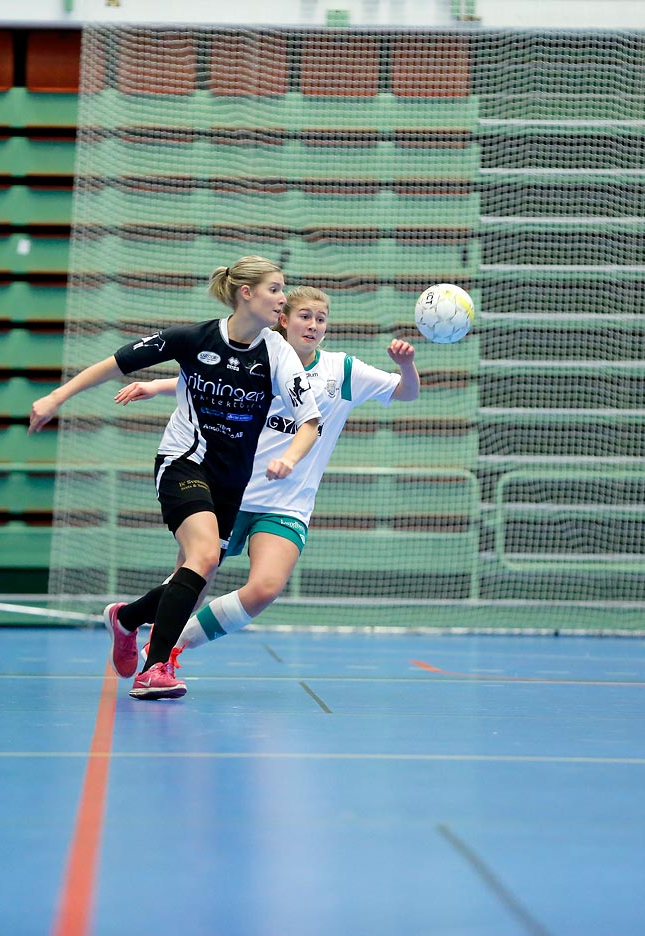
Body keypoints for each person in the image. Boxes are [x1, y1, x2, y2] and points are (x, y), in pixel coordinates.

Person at [29, 256, 320, 700]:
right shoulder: (194, 339)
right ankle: (154, 669)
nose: (283, 298)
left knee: (196, 573)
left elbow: (309, 422)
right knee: (202, 555)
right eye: (276, 289)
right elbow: (116, 363)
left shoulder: (277, 354)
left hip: (231, 481)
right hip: (184, 461)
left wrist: (292, 459)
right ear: (247, 293)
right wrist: (56, 397)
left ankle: (126, 618)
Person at [112, 285, 419, 665]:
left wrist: (405, 365)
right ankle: (128, 622)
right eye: (305, 316)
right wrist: (156, 387)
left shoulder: (341, 371)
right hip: (229, 491)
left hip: (287, 504)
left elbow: (406, 393)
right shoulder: (261, 359)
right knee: (190, 583)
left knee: (265, 588)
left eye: (321, 319)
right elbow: (210, 383)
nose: (313, 325)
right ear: (284, 320)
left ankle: (172, 650)